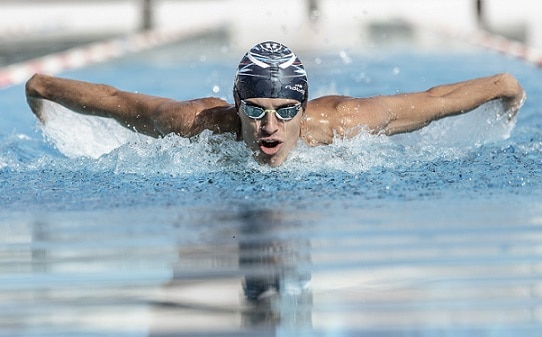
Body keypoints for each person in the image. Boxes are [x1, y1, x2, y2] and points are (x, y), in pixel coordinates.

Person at [25, 41, 526, 167]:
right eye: (256, 109)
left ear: (304, 109)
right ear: (236, 107)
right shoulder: (198, 124)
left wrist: (504, 85)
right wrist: (42, 88)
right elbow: (115, 101)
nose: (269, 125)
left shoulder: (343, 123)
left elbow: (434, 101)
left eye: (286, 110)